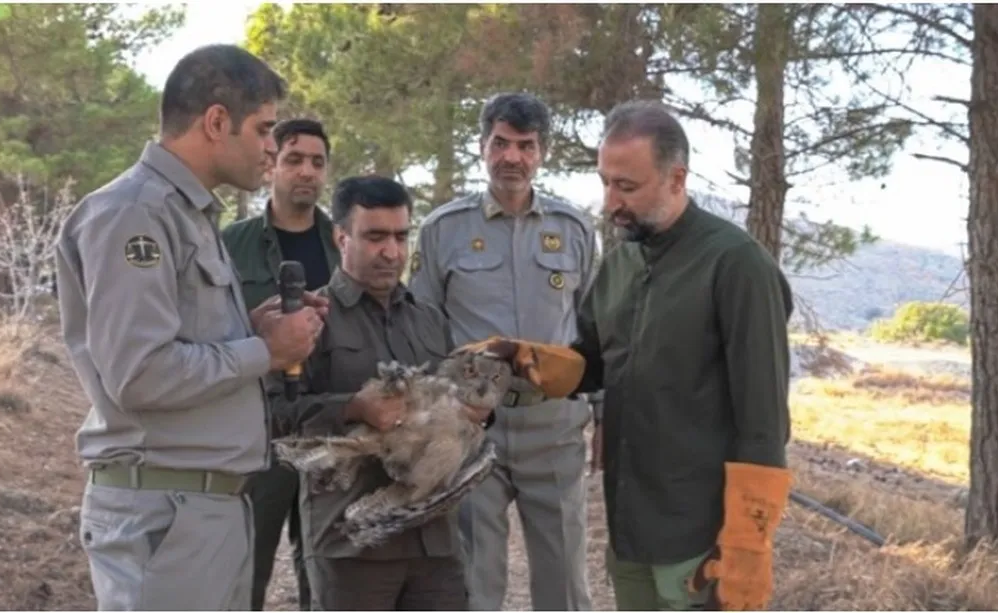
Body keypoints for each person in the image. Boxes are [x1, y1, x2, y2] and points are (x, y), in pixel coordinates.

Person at [456, 100, 794, 611]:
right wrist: (521, 360)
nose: (610, 203)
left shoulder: (737, 265)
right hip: (631, 528)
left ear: (676, 178)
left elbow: (764, 422)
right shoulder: (621, 263)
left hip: (700, 541)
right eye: (605, 182)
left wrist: (748, 545)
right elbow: (591, 364)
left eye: (627, 187)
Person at [54, 44, 328, 612]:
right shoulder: (135, 213)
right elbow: (140, 375)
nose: (272, 147)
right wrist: (263, 351)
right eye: (264, 129)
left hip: (202, 511)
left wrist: (251, 329)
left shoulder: (188, 215)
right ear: (217, 122)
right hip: (166, 518)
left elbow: (181, 345)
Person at [408, 92, 598, 611]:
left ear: (542, 153)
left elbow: (593, 332)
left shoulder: (574, 229)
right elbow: (421, 330)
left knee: (564, 584)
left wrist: (603, 412)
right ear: (482, 146)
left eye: (526, 145)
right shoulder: (443, 229)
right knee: (474, 583)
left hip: (553, 425)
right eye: (500, 143)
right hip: (472, 426)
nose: (512, 157)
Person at [270, 175, 491, 611]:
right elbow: (274, 415)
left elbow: (456, 400)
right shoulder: (309, 319)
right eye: (375, 237)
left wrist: (474, 412)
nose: (391, 252)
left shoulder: (429, 319)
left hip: (435, 543)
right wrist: (353, 408)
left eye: (400, 236)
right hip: (351, 543)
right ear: (341, 238)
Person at [223, 117, 340, 611]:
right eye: (294, 159)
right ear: (272, 164)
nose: (306, 171)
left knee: (326, 572)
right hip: (259, 430)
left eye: (317, 162)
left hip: (330, 430)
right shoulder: (231, 244)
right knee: (244, 568)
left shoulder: (344, 242)